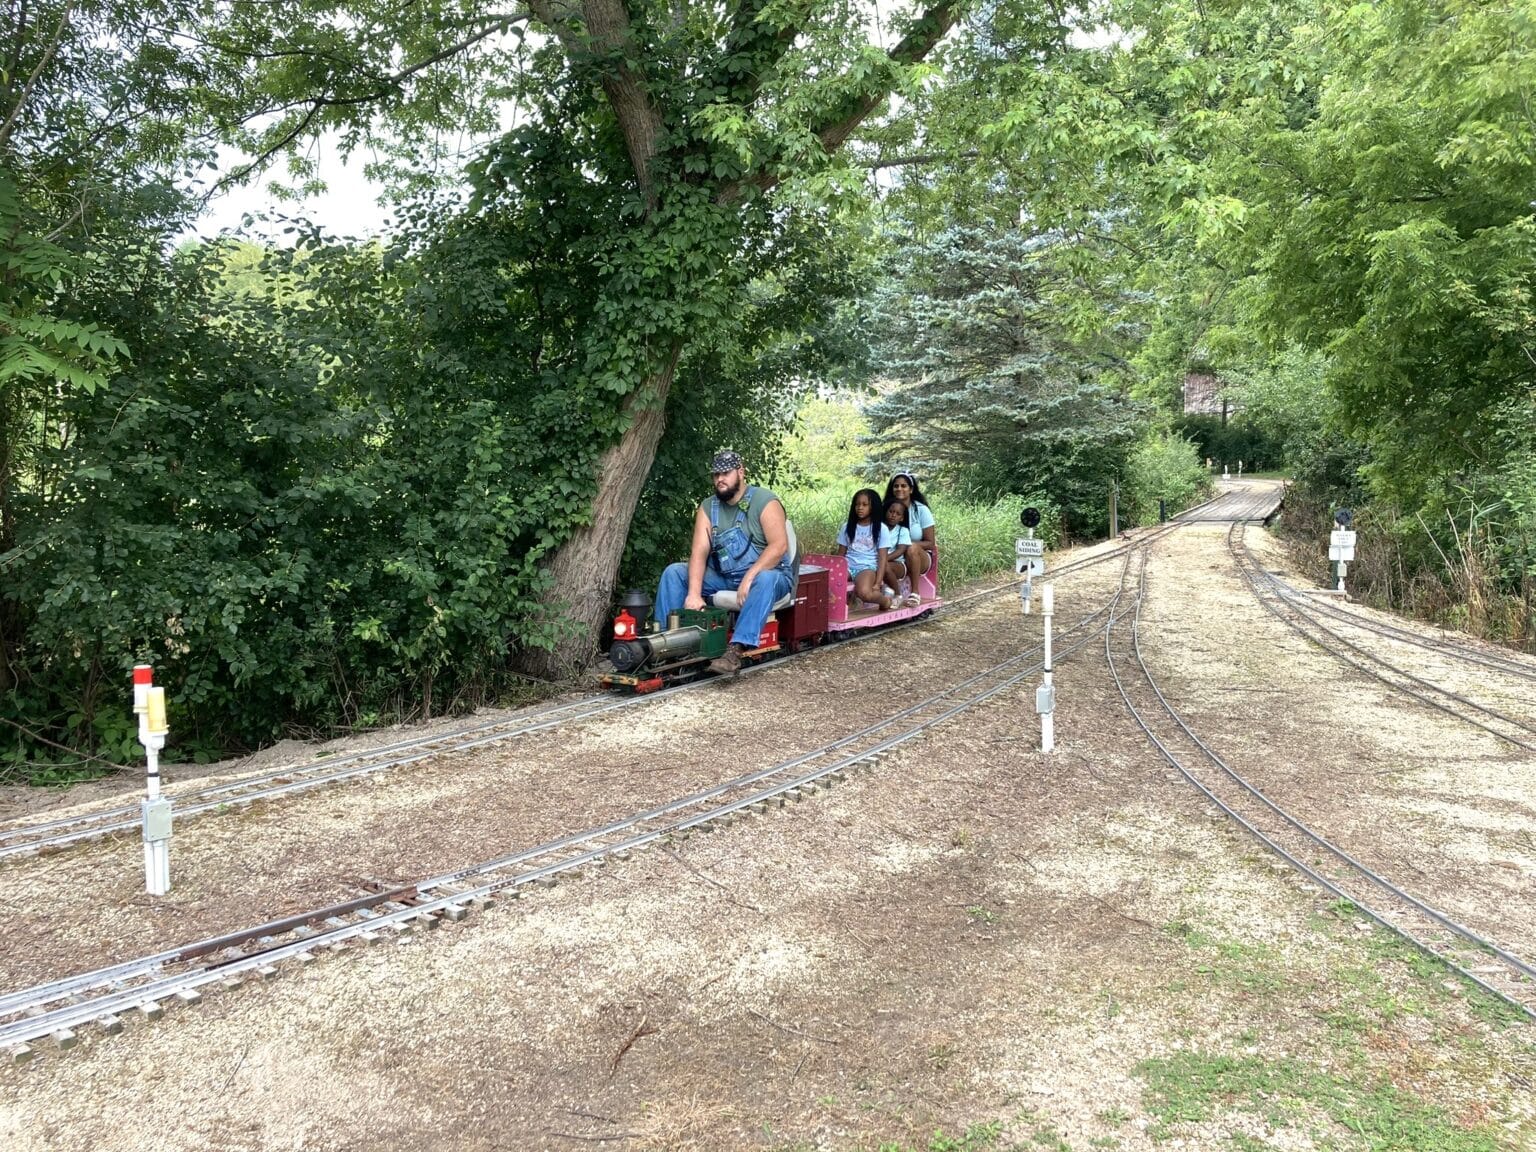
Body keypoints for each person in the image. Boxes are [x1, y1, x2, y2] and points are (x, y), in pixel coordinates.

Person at [652, 450, 794, 677]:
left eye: (725, 473)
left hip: (769, 574)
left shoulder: (765, 501)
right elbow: (699, 552)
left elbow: (778, 547)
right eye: (716, 474)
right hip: (725, 576)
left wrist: (751, 576)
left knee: (765, 578)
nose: (720, 479)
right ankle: (664, 644)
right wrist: (694, 593)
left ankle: (735, 650)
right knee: (675, 572)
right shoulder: (708, 508)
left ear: (740, 472)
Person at [834, 489, 895, 612]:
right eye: (857, 504)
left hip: (867, 567)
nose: (860, 508)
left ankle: (886, 600)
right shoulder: (847, 526)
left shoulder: (881, 528)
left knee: (864, 593)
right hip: (847, 565)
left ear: (873, 507)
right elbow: (841, 554)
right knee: (832, 583)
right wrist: (835, 570)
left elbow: (882, 558)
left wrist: (878, 583)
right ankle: (841, 609)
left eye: (865, 504)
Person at [883, 472, 936, 594]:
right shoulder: (886, 509)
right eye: (896, 486)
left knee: (911, 547)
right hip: (893, 555)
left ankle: (915, 592)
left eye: (903, 486)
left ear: (911, 490)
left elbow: (930, 543)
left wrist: (906, 544)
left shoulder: (921, 510)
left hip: (918, 555)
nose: (899, 489)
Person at [881, 498, 922, 607]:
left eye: (898, 514)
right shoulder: (879, 528)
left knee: (884, 566)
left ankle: (897, 595)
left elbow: (900, 550)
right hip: (879, 561)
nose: (893, 515)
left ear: (902, 518)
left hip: (897, 564)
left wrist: (884, 559)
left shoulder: (902, 531)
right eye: (891, 511)